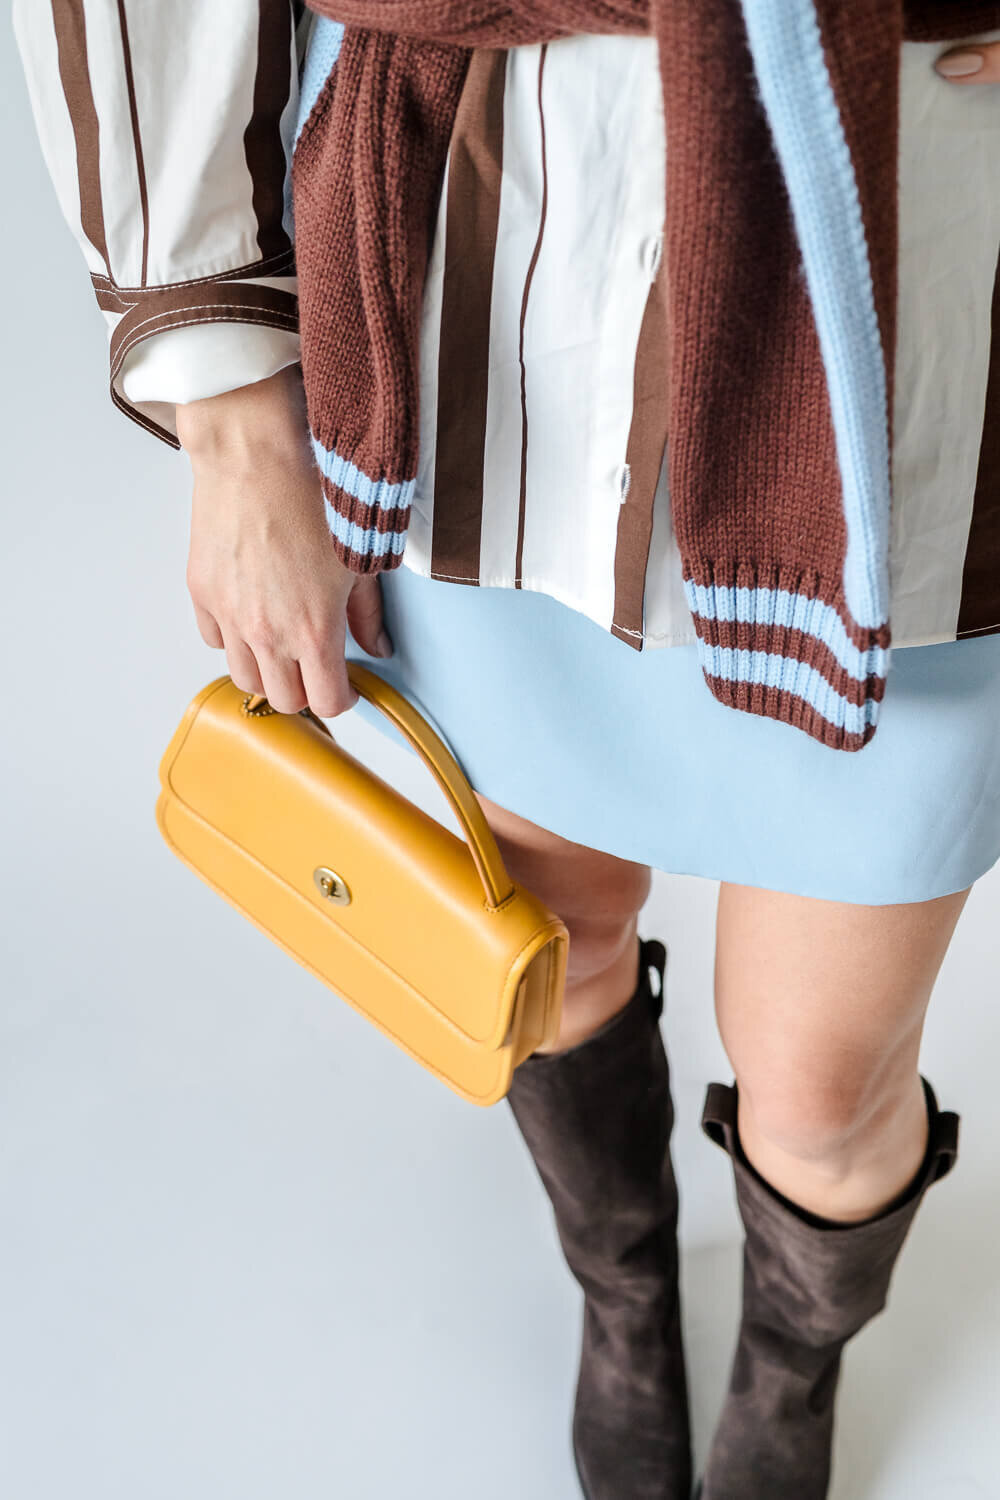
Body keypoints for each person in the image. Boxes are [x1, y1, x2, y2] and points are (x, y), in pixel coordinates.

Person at [13, 5, 1000, 1496]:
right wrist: (231, 416)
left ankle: (798, 1359)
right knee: (555, 942)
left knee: (823, 1082)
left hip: (922, 318)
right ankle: (624, 1294)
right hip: (511, 294)